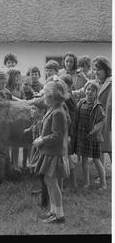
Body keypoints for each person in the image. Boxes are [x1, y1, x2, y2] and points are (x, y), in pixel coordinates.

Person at [33, 80, 70, 223]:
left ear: (52, 96)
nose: (43, 98)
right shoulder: (53, 109)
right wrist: (42, 137)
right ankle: (53, 211)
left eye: (45, 95)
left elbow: (57, 136)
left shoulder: (59, 112)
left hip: (54, 152)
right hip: (48, 152)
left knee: (53, 182)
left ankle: (59, 215)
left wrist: (42, 140)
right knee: (49, 180)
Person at [72, 81, 107, 190]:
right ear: (85, 90)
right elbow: (75, 118)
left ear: (96, 92)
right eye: (88, 89)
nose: (90, 92)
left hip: (92, 137)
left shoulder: (98, 106)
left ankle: (103, 184)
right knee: (84, 159)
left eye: (93, 90)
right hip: (82, 136)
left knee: (96, 160)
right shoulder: (81, 103)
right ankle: (86, 183)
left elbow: (102, 120)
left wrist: (94, 130)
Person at [24, 104, 48, 209]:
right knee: (39, 171)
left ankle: (45, 196)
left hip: (40, 148)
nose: (31, 111)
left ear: (42, 111)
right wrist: (28, 130)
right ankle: (42, 189)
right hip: (36, 146)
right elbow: (32, 126)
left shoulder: (43, 122)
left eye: (34, 109)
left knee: (42, 172)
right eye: (31, 109)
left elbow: (43, 135)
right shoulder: (36, 121)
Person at [59, 74, 78, 191]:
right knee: (66, 158)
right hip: (66, 131)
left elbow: (72, 115)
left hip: (68, 132)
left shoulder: (68, 97)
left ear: (68, 86)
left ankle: (73, 183)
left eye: (62, 84)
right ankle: (70, 182)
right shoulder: (66, 96)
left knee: (67, 158)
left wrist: (70, 134)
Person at [7, 68, 25, 171]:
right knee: (8, 141)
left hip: (19, 117)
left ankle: (15, 165)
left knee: (16, 142)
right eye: (16, 76)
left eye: (19, 76)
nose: (18, 78)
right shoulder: (6, 88)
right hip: (9, 117)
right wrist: (21, 102)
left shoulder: (20, 88)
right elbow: (9, 99)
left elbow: (25, 100)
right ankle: (8, 163)